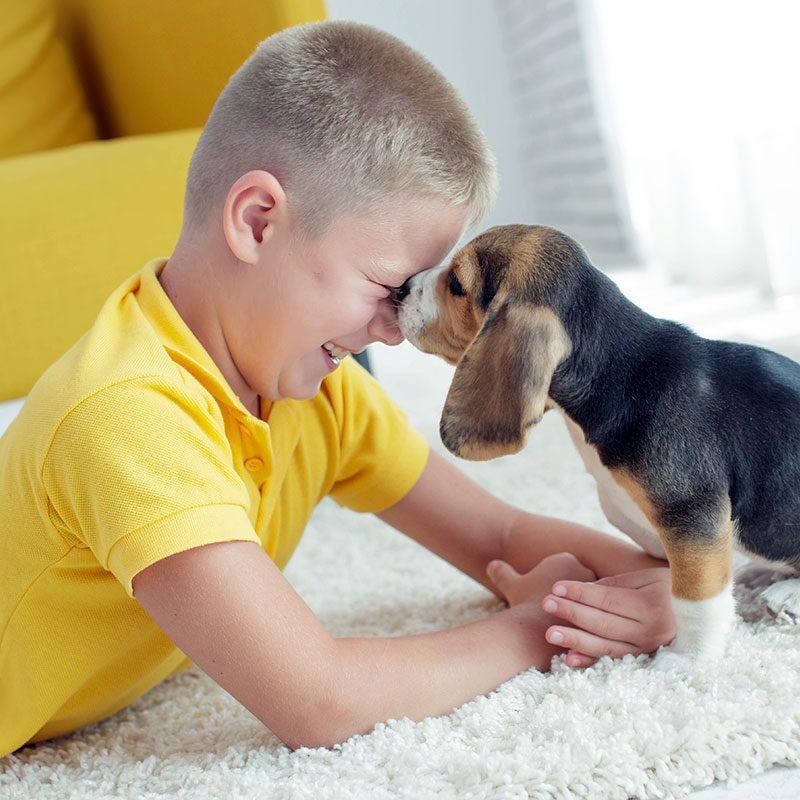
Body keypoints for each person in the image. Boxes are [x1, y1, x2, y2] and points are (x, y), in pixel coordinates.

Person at [0, 21, 674, 755]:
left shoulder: (317, 391)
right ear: (258, 222)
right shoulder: (127, 416)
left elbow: (500, 538)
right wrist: (539, 628)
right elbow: (319, 701)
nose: (395, 331)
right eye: (387, 287)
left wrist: (662, 592)